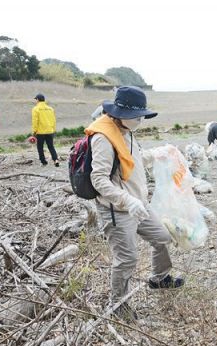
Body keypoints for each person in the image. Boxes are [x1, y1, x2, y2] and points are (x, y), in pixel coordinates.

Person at [87, 86, 184, 320]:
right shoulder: (103, 137)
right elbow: (98, 178)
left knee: (162, 237)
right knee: (127, 259)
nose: (140, 120)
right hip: (118, 209)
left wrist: (158, 153)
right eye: (137, 116)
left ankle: (159, 278)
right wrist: (127, 201)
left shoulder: (126, 131)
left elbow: (132, 160)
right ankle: (118, 307)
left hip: (139, 203)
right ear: (120, 113)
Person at [31, 93, 60, 167]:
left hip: (40, 132)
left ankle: (43, 161)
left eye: (36, 99)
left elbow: (35, 121)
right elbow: (54, 120)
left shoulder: (36, 109)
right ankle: (55, 159)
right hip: (50, 131)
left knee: (40, 147)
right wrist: (53, 129)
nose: (36, 101)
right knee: (51, 146)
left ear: (37, 100)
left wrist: (34, 131)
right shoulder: (50, 109)